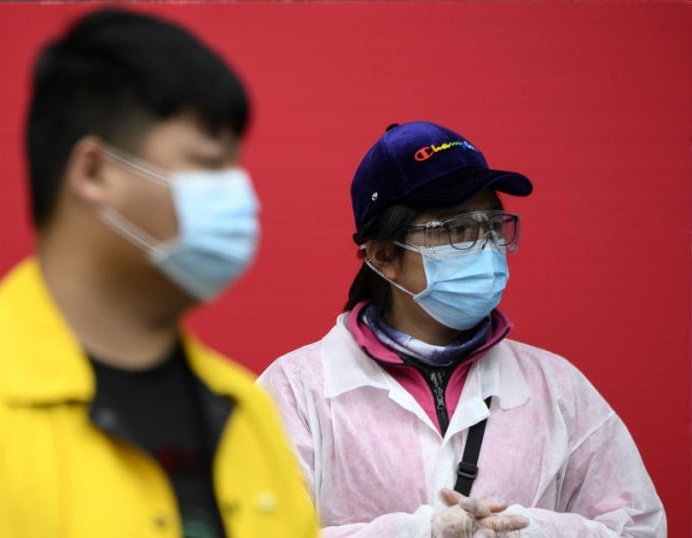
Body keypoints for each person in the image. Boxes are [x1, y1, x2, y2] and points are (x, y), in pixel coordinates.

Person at [0, 8, 317, 538]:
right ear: (94, 172)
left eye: (235, 168)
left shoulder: (248, 413)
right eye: (207, 166)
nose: (240, 200)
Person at [258, 121, 666, 537]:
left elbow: (640, 528)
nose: (486, 248)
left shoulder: (557, 386)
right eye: (457, 230)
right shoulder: (295, 391)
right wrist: (415, 534)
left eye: (491, 227)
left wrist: (533, 532)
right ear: (383, 255)